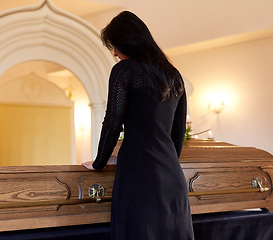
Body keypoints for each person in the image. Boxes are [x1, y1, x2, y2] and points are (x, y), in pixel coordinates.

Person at [82, 11, 194, 240]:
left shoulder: (124, 71)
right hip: (172, 175)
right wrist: (169, 161)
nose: (114, 53)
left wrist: (99, 162)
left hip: (139, 173)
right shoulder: (174, 75)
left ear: (128, 43)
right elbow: (178, 131)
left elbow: (113, 121)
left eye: (115, 46)